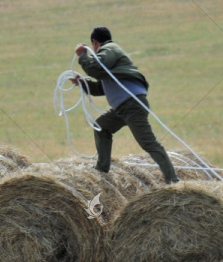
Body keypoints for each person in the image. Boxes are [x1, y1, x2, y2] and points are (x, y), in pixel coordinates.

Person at [72, 26, 179, 184]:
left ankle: (173, 181)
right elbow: (101, 87)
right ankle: (102, 169)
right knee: (101, 126)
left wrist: (82, 55)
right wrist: (81, 83)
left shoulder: (109, 49)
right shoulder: (109, 60)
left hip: (132, 105)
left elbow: (95, 69)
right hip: (123, 108)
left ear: (94, 42)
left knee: (148, 143)